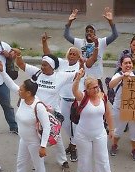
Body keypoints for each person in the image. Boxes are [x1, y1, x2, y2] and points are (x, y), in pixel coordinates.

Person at [14, 51, 77, 172]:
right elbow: (21, 64)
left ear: (52, 66)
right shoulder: (37, 73)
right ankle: (39, 160)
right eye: (42, 64)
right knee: (37, 135)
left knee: (56, 138)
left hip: (52, 113)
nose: (42, 67)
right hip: (36, 111)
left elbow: (78, 74)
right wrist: (19, 55)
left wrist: (82, 67)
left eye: (45, 65)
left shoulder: (61, 76)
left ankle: (63, 161)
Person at [40, 32, 98, 162]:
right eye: (70, 53)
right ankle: (72, 143)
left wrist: (82, 63)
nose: (72, 56)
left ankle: (74, 147)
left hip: (76, 101)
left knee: (76, 126)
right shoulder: (62, 63)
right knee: (65, 124)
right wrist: (44, 43)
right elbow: (48, 57)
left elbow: (83, 72)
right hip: (63, 100)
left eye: (75, 54)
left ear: (78, 56)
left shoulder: (80, 65)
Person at [0, 61, 50, 172]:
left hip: (35, 142)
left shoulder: (38, 106)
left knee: (38, 165)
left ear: (28, 93)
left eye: (21, 89)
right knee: (20, 163)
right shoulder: (23, 98)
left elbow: (47, 126)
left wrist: (43, 146)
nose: (18, 90)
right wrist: (2, 71)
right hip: (24, 140)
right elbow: (11, 84)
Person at [72, 69, 116, 172]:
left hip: (99, 133)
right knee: (85, 157)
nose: (96, 90)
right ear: (87, 89)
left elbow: (108, 114)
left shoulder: (103, 96)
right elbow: (74, 91)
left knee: (102, 157)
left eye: (97, 86)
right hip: (83, 134)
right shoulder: (82, 97)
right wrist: (77, 79)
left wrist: (111, 129)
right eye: (93, 88)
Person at [64, 7, 118, 92]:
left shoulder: (101, 42)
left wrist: (110, 22)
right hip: (83, 78)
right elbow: (67, 36)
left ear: (95, 33)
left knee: (99, 101)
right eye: (87, 31)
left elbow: (115, 35)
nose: (89, 32)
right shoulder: (80, 42)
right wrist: (69, 22)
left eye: (91, 31)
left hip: (97, 78)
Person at [108, 55, 135, 161]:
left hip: (133, 108)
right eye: (125, 63)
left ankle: (134, 149)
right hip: (119, 108)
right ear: (121, 65)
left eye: (130, 62)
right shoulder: (118, 75)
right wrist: (122, 77)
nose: (128, 65)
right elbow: (111, 85)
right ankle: (114, 145)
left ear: (132, 64)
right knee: (118, 129)